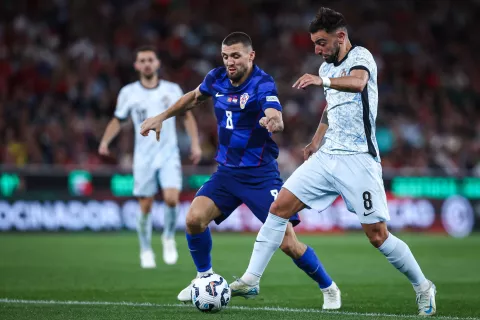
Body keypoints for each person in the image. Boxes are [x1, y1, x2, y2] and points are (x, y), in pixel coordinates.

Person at [235, 8, 437, 316]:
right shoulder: (326, 68)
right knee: (278, 209)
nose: (316, 49)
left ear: (340, 37)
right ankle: (251, 279)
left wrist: (320, 81)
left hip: (359, 161)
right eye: (315, 44)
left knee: (378, 236)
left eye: (321, 43)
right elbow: (332, 108)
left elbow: (356, 84)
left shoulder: (361, 58)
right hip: (328, 156)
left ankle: (423, 287)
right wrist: (316, 140)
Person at [140, 32, 341, 309]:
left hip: (260, 176)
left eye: (235, 56)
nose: (229, 62)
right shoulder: (216, 78)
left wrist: (273, 122)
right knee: (194, 220)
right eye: (225, 56)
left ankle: (328, 287)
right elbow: (194, 97)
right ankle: (204, 278)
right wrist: (161, 116)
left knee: (288, 243)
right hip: (227, 173)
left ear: (250, 55)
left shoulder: (262, 83)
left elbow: (275, 114)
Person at [99, 46, 202, 268]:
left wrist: (195, 143)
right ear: (137, 66)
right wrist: (106, 141)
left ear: (157, 64)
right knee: (145, 205)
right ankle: (145, 249)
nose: (146, 63)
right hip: (143, 157)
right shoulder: (128, 92)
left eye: (150, 60)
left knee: (172, 198)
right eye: (142, 60)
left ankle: (167, 238)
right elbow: (118, 119)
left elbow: (187, 117)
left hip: (168, 154)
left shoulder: (172, 89)